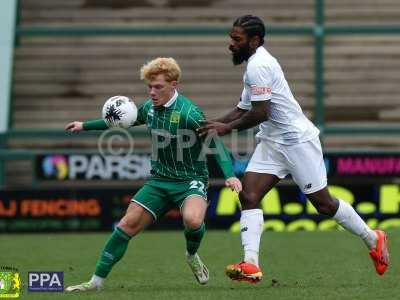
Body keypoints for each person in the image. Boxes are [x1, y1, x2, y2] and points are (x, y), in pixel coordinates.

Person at [198, 15, 389, 283]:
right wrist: (217, 123)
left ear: (254, 40)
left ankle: (373, 238)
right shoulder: (253, 65)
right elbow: (244, 108)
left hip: (297, 141)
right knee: (249, 195)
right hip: (273, 142)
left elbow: (260, 112)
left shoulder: (260, 66)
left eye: (236, 39)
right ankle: (251, 264)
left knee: (324, 204)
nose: (230, 43)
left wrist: (226, 129)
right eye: (231, 37)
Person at [64, 57, 242, 291]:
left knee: (193, 220)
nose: (152, 92)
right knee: (126, 225)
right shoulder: (149, 109)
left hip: (191, 180)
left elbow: (215, 142)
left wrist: (229, 174)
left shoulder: (189, 113)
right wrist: (84, 125)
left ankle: (191, 255)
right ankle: (95, 282)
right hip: (159, 181)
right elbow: (121, 121)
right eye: (149, 87)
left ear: (173, 85)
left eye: (158, 87)